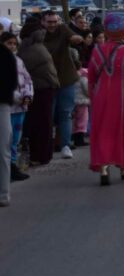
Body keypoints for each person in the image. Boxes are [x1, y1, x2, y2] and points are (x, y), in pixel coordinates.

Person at [88, 13, 124, 185]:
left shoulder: (97, 50)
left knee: (103, 131)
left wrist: (93, 96)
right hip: (122, 97)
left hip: (101, 97)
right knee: (122, 129)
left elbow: (91, 76)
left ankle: (104, 169)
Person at [42, 10, 83, 159]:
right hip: (47, 81)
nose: (52, 25)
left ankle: (66, 145)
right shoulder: (40, 35)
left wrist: (77, 38)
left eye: (54, 21)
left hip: (66, 78)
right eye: (49, 22)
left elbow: (72, 37)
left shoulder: (63, 29)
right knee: (49, 115)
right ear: (43, 22)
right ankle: (49, 145)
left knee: (65, 113)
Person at [18, 20, 58, 167]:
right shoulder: (40, 47)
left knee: (38, 124)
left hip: (39, 89)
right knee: (44, 122)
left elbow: (21, 65)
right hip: (45, 88)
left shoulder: (29, 49)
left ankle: (39, 155)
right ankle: (44, 154)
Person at [2, 32, 32, 182]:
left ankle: (13, 165)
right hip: (7, 106)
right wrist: (17, 97)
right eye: (9, 43)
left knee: (15, 138)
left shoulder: (19, 61)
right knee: (5, 139)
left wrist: (27, 95)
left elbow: (27, 80)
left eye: (14, 44)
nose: (12, 46)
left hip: (21, 108)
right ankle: (6, 167)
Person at [0, 38, 16, 206]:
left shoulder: (5, 55)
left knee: (2, 150)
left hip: (1, 104)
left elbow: (11, 83)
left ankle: (3, 193)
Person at [72, 64, 90, 148]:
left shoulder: (72, 74)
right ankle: (80, 139)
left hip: (73, 100)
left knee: (74, 120)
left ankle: (74, 137)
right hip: (82, 101)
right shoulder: (83, 75)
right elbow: (86, 88)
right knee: (82, 121)